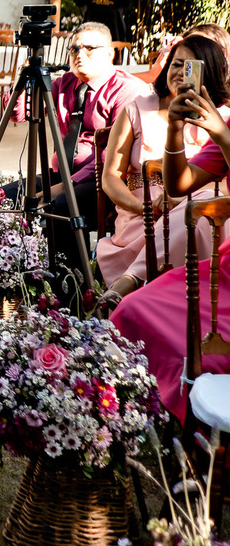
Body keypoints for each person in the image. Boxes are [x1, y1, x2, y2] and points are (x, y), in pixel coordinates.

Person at [110, 70, 230, 423]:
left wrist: (224, 136)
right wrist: (175, 130)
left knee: (196, 346)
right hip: (223, 272)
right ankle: (117, 419)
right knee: (133, 310)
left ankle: (194, 428)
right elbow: (179, 185)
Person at [5, 22, 148, 267]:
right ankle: (16, 275)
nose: (80, 54)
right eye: (74, 49)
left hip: (103, 182)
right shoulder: (63, 84)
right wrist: (21, 82)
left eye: (90, 48)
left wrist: (64, 187)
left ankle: (74, 287)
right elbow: (18, 114)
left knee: (60, 205)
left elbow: (112, 155)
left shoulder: (128, 90)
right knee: (6, 196)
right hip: (60, 174)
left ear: (109, 53)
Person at [98, 35, 229, 301]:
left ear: (210, 73)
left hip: (199, 214)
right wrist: (146, 209)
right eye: (176, 64)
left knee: (199, 213)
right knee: (187, 220)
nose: (182, 73)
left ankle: (132, 280)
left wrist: (175, 201)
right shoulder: (136, 109)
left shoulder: (222, 119)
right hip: (141, 213)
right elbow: (110, 177)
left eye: (192, 68)